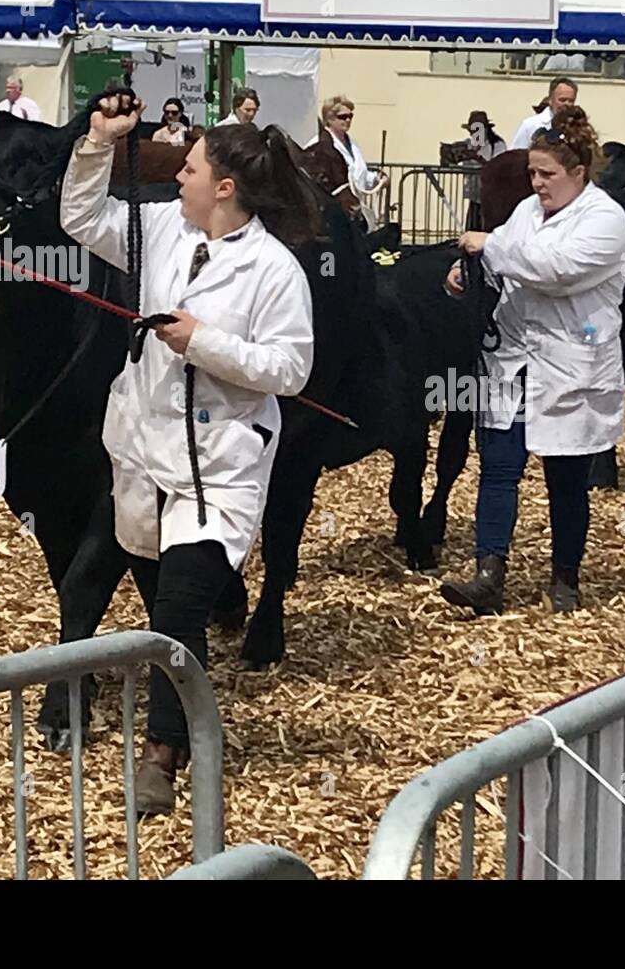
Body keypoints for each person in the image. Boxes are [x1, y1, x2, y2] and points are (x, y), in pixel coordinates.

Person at [60, 92, 318, 814]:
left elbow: (290, 370)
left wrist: (203, 341)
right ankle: (190, 707)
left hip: (221, 464)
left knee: (177, 612)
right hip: (144, 448)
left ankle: (163, 757)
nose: (180, 176)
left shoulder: (275, 270)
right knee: (164, 598)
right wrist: (97, 145)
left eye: (194, 167)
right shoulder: (164, 229)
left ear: (225, 187)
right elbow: (81, 217)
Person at [438, 106, 625, 615]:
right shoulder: (526, 212)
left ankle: (565, 578)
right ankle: (488, 574)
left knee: (565, 478)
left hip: (572, 362)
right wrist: (467, 275)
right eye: (532, 173)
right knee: (498, 467)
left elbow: (556, 270)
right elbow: (504, 262)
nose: (537, 183)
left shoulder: (607, 219)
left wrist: (492, 248)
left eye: (547, 174)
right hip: (512, 360)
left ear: (579, 173)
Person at [313, 94, 387, 229]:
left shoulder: (352, 144)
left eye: (350, 116)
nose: (347, 120)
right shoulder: (323, 145)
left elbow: (360, 173)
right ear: (329, 119)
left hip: (356, 207)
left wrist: (376, 179)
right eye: (342, 117)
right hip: (335, 209)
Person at [510, 76, 578, 149]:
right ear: (550, 100)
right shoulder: (530, 125)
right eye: (562, 100)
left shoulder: (577, 127)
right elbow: (515, 155)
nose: (567, 104)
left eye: (571, 101)